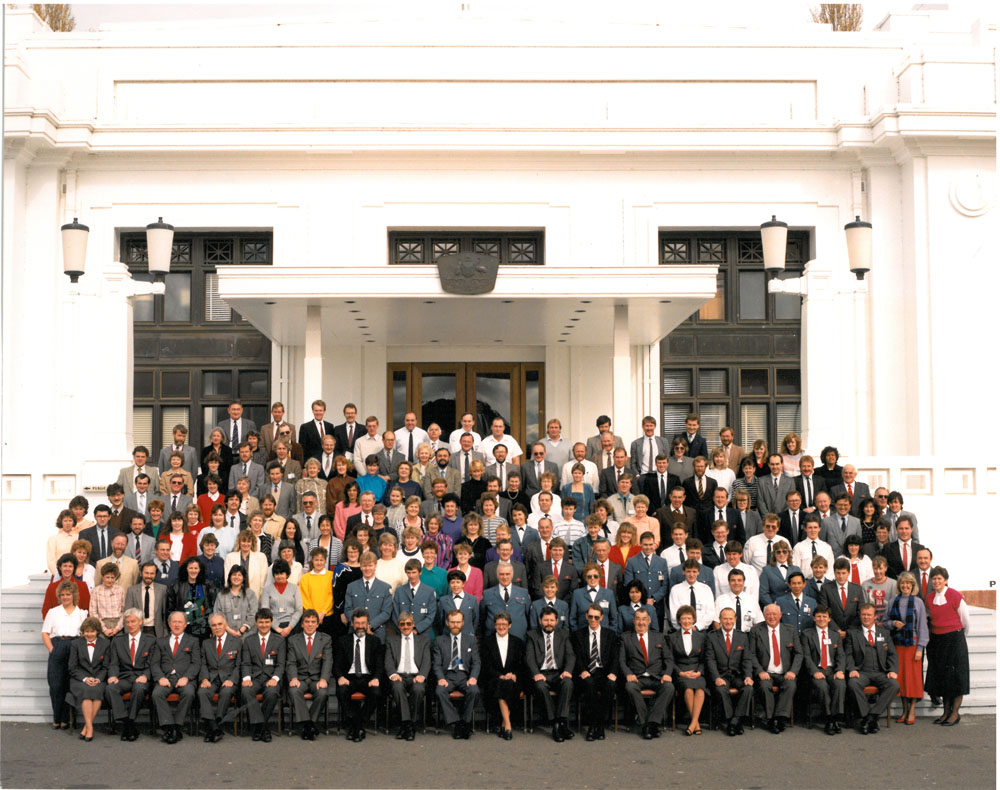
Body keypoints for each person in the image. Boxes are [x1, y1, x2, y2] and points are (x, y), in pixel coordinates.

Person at [925, 566, 971, 727]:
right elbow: (932, 618)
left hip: (955, 640)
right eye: (934, 578)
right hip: (938, 640)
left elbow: (965, 620)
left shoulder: (955, 595)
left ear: (946, 580)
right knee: (943, 678)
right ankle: (945, 712)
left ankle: (955, 713)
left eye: (939, 578)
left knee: (956, 677)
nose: (936, 581)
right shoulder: (930, 598)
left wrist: (957, 635)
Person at [845, 603, 900, 734]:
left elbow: (892, 654)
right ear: (860, 616)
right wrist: (852, 669)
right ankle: (868, 718)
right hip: (861, 672)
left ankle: (871, 717)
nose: (866, 617)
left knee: (894, 685)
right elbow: (848, 655)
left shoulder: (885, 633)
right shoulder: (852, 633)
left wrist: (892, 670)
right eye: (863, 614)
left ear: (875, 616)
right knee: (853, 683)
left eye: (869, 614)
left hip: (880, 672)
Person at [619, 608, 673, 739]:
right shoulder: (626, 637)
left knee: (669, 687)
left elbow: (669, 659)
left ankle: (652, 723)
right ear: (633, 620)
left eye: (644, 619)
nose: (641, 622)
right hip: (637, 678)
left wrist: (667, 673)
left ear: (649, 621)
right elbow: (621, 660)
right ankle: (646, 724)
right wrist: (628, 674)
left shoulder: (659, 637)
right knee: (630, 687)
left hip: (657, 677)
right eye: (638, 618)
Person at [41, 580, 87, 730]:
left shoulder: (81, 613)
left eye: (68, 594)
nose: (65, 597)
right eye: (62, 595)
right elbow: (45, 633)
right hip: (58, 646)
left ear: (74, 595)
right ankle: (57, 718)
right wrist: (52, 650)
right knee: (56, 685)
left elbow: (85, 635)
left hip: (75, 647)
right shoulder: (53, 612)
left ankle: (67, 719)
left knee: (70, 685)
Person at [883, 572, 928, 725]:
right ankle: (904, 709)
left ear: (913, 585)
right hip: (898, 644)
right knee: (901, 678)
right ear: (899, 585)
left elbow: (922, 626)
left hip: (912, 644)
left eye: (908, 583)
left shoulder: (918, 602)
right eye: (902, 583)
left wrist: (920, 648)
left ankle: (912, 709)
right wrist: (893, 624)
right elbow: (884, 622)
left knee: (913, 679)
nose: (905, 586)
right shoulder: (892, 602)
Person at [749, 604, 802, 733]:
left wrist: (793, 671)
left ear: (780, 615)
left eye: (774, 614)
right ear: (764, 616)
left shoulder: (790, 630)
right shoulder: (756, 630)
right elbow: (751, 654)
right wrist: (760, 671)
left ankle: (780, 717)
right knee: (764, 686)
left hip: (785, 673)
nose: (771, 617)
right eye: (768, 614)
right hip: (766, 673)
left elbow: (799, 653)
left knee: (790, 685)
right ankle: (771, 718)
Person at [525, 606, 576, 741]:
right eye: (546, 620)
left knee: (568, 683)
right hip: (541, 674)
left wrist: (567, 671)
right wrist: (535, 673)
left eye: (551, 620)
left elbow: (570, 655)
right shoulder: (532, 635)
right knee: (540, 687)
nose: (549, 623)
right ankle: (555, 724)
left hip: (558, 673)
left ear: (557, 621)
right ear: (540, 620)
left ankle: (562, 721)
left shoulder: (564, 634)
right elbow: (529, 658)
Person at [151, 610, 201, 744]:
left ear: (185, 624)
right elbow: (154, 663)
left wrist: (187, 678)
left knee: (189, 692)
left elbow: (196, 663)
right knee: (156, 694)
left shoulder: (193, 641)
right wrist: (160, 677)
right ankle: (170, 727)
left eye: (180, 622)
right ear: (169, 624)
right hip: (166, 678)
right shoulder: (160, 642)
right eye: (174, 621)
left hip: (185, 678)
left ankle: (177, 726)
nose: (177, 624)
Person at [704, 607, 754, 736]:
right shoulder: (712, 636)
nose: (728, 621)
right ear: (719, 620)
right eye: (725, 618)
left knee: (748, 688)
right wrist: (716, 677)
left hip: (737, 675)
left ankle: (733, 721)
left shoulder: (742, 636)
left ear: (735, 619)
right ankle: (735, 721)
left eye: (731, 618)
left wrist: (748, 676)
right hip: (721, 675)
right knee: (721, 690)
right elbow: (710, 659)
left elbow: (747, 659)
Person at [105, 608, 153, 740]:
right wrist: (113, 676)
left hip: (141, 677)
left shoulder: (150, 640)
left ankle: (129, 723)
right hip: (124, 678)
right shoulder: (118, 641)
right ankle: (127, 723)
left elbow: (152, 663)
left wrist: (146, 676)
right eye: (128, 622)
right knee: (110, 688)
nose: (130, 625)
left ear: (141, 622)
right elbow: (113, 663)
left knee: (139, 689)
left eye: (133, 621)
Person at [285, 609, 333, 741]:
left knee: (323, 693)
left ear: (318, 624)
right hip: (300, 678)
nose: (310, 625)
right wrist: (293, 678)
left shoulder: (326, 639)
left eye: (313, 622)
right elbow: (291, 662)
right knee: (294, 691)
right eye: (307, 622)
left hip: (317, 679)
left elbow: (328, 661)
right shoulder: (293, 640)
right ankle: (309, 725)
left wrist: (324, 679)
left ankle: (307, 725)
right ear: (302, 624)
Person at [335, 608, 382, 741]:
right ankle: (359, 726)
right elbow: (337, 665)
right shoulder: (343, 641)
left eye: (363, 623)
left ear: (368, 624)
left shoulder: (375, 641)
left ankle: (356, 724)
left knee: (376, 692)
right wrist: (340, 677)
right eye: (357, 623)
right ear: (352, 624)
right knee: (341, 691)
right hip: (349, 678)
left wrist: (376, 678)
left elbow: (379, 665)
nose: (360, 626)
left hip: (367, 678)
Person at [433, 609, 481, 739]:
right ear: (447, 623)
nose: (455, 625)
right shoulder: (439, 640)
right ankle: (456, 722)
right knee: (439, 691)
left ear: (463, 623)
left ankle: (465, 722)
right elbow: (436, 664)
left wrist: (473, 677)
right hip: (447, 676)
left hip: (465, 676)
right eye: (452, 622)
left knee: (474, 691)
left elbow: (476, 662)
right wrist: (441, 678)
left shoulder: (470, 640)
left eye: (458, 622)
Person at [800, 605, 848, 735]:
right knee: (822, 686)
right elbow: (806, 656)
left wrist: (840, 670)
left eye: (824, 616)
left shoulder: (835, 635)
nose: (821, 619)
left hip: (832, 670)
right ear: (814, 618)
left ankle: (834, 718)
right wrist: (815, 671)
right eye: (819, 616)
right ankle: (829, 719)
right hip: (816, 669)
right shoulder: (807, 634)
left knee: (840, 684)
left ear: (829, 619)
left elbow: (841, 656)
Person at [238, 608, 284, 742]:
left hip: (271, 678)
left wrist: (275, 679)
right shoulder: (248, 640)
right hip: (255, 678)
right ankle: (263, 727)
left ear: (271, 622)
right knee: (246, 691)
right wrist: (246, 678)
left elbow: (281, 665)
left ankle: (258, 728)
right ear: (256, 623)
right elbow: (245, 663)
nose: (264, 625)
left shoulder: (279, 641)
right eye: (261, 622)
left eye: (267, 622)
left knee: (272, 693)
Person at [384, 610, 430, 740]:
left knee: (419, 689)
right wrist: (393, 674)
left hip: (416, 675)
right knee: (397, 687)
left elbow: (427, 661)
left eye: (408, 624)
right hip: (399, 675)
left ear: (413, 624)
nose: (405, 627)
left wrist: (422, 675)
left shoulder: (423, 640)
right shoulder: (391, 640)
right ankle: (408, 725)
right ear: (398, 626)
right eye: (402, 624)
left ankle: (409, 724)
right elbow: (388, 661)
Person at [64, 616, 110, 741]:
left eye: (92, 631)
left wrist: (98, 679)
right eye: (86, 631)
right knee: (86, 692)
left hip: (97, 679)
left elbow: (105, 667)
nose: (89, 634)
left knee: (97, 691)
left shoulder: (105, 644)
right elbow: (72, 667)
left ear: (97, 631)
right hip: (79, 679)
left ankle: (86, 727)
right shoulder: (75, 644)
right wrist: (85, 678)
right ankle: (90, 728)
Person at [197, 613, 241, 742]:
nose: (217, 627)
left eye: (220, 624)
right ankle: (214, 727)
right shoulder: (206, 643)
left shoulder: (237, 642)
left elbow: (239, 665)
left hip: (228, 678)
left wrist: (232, 680)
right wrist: (204, 679)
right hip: (211, 678)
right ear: (211, 627)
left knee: (227, 692)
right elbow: (203, 663)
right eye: (214, 625)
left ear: (226, 625)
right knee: (202, 692)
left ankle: (214, 726)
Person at [668, 605, 707, 736]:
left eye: (689, 618)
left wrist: (699, 672)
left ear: (693, 620)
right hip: (681, 672)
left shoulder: (701, 637)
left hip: (696, 671)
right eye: (683, 618)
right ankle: (696, 724)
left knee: (700, 689)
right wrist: (680, 672)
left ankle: (693, 723)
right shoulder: (672, 637)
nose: (686, 621)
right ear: (679, 620)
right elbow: (670, 660)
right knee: (688, 689)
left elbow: (703, 660)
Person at [166, 557, 215, 640]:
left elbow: (212, 607)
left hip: (203, 629)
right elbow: (170, 608)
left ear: (200, 570)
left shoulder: (207, 585)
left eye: (196, 568)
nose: (193, 571)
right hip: (184, 629)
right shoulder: (176, 585)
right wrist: (171, 627)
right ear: (186, 569)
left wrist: (210, 627)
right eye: (191, 568)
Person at [818, 558, 864, 637]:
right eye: (838, 573)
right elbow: (824, 611)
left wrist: (848, 632)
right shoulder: (826, 588)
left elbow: (860, 612)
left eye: (843, 573)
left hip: (853, 633)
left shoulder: (857, 589)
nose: (841, 576)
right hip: (832, 632)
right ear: (834, 573)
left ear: (849, 573)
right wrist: (837, 630)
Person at [392, 559, 438, 636]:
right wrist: (404, 630)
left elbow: (431, 615)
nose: (411, 576)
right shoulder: (399, 591)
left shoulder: (429, 591)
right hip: (402, 634)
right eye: (409, 573)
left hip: (422, 635)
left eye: (414, 572)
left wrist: (417, 629)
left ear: (420, 572)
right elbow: (395, 614)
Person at [569, 564, 619, 632]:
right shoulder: (577, 594)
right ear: (586, 578)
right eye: (589, 576)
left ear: (599, 577)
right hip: (583, 636)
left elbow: (614, 619)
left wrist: (609, 636)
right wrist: (578, 636)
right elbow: (572, 618)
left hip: (604, 636)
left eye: (595, 576)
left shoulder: (609, 594)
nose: (592, 578)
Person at [261, 558, 303, 638]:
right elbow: (265, 611)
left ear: (287, 574)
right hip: (273, 628)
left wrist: (289, 627)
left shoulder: (295, 588)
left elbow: (299, 610)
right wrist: (277, 628)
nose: (279, 576)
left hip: (293, 627)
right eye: (277, 573)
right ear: (273, 575)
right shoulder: (267, 589)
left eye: (282, 573)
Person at [223, 529, 268, 600]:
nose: (246, 544)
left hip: (255, 597)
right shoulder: (230, 557)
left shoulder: (261, 557)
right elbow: (227, 580)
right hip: (234, 598)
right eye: (243, 541)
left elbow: (263, 582)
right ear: (239, 542)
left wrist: (260, 600)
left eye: (248, 541)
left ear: (252, 542)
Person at [214, 566, 258, 639]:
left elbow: (253, 614)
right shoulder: (221, 595)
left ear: (243, 578)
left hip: (248, 635)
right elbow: (217, 614)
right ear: (230, 577)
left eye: (239, 575)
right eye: (234, 574)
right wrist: (230, 630)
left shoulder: (250, 594)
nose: (236, 577)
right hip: (227, 635)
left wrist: (241, 630)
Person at [758, 541, 798, 606]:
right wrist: (772, 606)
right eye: (778, 552)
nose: (781, 554)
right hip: (774, 608)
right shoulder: (766, 570)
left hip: (793, 607)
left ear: (788, 553)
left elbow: (801, 590)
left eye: (784, 552)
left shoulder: (796, 569)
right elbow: (763, 593)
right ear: (774, 554)